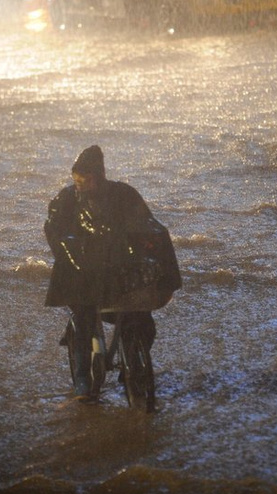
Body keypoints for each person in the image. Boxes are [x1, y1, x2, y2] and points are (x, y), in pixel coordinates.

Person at [44, 145, 180, 400]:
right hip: (83, 278)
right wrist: (73, 254)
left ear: (99, 176)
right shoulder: (66, 200)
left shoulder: (124, 194)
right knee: (84, 319)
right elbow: (54, 230)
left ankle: (132, 366)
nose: (80, 186)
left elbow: (148, 224)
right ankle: (83, 379)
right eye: (76, 180)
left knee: (143, 322)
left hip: (120, 276)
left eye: (85, 180)